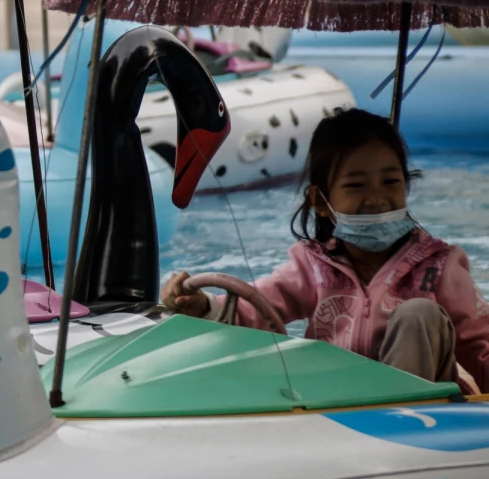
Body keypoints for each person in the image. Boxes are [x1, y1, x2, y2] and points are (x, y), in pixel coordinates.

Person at [161, 108, 489, 388]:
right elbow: (257, 308)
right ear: (320, 201)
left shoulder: (439, 266)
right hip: (335, 405)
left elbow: (480, 344)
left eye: (391, 182)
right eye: (356, 185)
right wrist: (202, 305)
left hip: (422, 412)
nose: (377, 198)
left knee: (419, 313)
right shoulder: (313, 266)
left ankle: (399, 411)